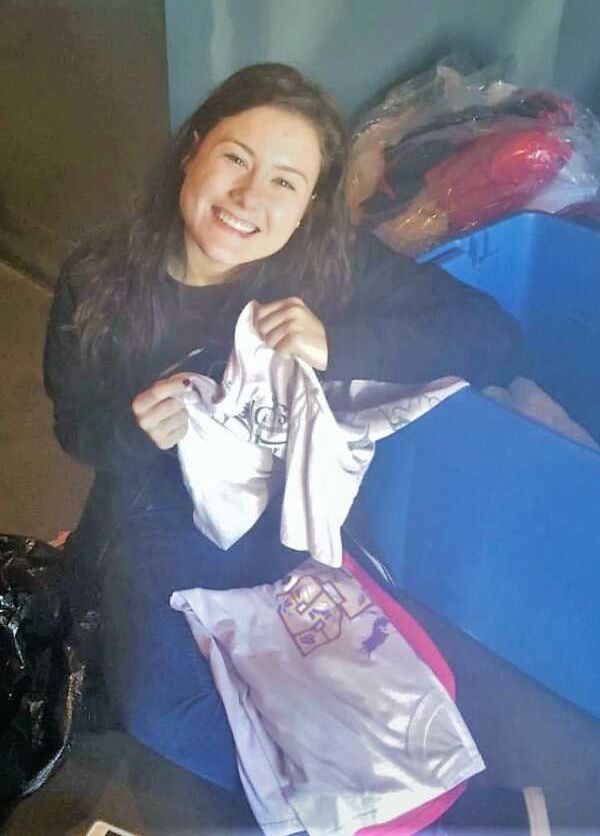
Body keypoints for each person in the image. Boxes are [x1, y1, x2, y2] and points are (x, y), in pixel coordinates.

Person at [43, 63, 523, 792]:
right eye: (236, 158)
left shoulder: (328, 268)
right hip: (158, 521)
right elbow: (77, 430)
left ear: (308, 206)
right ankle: (329, 807)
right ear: (193, 150)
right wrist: (135, 432)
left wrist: (338, 344)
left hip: (296, 521)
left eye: (285, 182)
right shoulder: (101, 278)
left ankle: (444, 808)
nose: (247, 198)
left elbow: (491, 335)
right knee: (157, 710)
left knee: (374, 692)